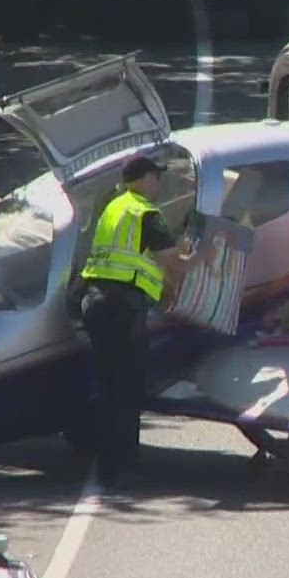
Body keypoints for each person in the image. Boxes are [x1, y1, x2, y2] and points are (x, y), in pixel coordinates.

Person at [75, 153, 193, 482]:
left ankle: (106, 463)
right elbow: (174, 263)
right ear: (141, 179)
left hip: (96, 304)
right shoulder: (145, 213)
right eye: (155, 177)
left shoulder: (114, 208)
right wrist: (206, 257)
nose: (159, 184)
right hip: (121, 308)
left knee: (110, 386)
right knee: (127, 390)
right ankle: (122, 467)